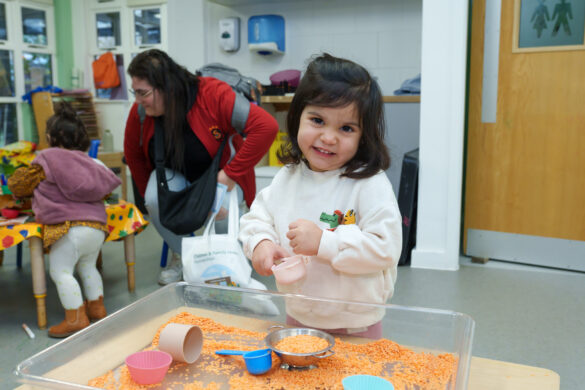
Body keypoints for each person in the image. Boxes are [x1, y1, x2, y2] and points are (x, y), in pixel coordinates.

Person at [238, 53, 402, 339]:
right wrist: (260, 243)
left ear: (364, 136)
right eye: (317, 120)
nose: (328, 137)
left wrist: (324, 243)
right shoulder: (287, 177)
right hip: (299, 314)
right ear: (297, 116)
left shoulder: (368, 183)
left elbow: (385, 248)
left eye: (346, 128)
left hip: (356, 321)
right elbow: (256, 218)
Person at [123, 49, 278, 285]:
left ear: (167, 86)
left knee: (223, 211)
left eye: (143, 93)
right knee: (154, 200)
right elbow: (133, 154)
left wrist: (231, 174)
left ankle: (224, 260)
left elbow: (266, 127)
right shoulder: (142, 111)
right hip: (176, 178)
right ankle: (186, 258)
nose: (138, 100)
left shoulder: (213, 94)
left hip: (218, 176)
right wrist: (157, 203)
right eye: (135, 92)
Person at [8, 102, 121, 338]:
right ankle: (97, 307)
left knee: (61, 273)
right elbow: (105, 191)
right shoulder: (93, 163)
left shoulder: (47, 160)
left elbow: (20, 184)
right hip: (96, 228)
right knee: (88, 266)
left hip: (67, 229)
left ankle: (75, 318)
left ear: (50, 137)